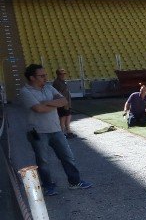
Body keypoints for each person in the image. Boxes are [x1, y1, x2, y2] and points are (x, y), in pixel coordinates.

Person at [19, 64, 93, 196]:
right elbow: (38, 109)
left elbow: (64, 101)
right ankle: (48, 186)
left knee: (67, 156)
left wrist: (46, 103)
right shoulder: (26, 92)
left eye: (45, 75)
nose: (45, 78)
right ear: (31, 78)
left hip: (56, 129)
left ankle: (75, 182)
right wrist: (53, 104)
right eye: (41, 76)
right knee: (43, 161)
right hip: (37, 132)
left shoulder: (48, 87)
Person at [51, 68, 74, 138]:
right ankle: (62, 133)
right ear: (58, 74)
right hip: (62, 103)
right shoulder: (56, 82)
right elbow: (57, 94)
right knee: (62, 118)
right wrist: (63, 103)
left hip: (67, 102)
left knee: (68, 116)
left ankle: (68, 131)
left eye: (64, 73)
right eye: (62, 74)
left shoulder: (63, 81)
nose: (64, 75)